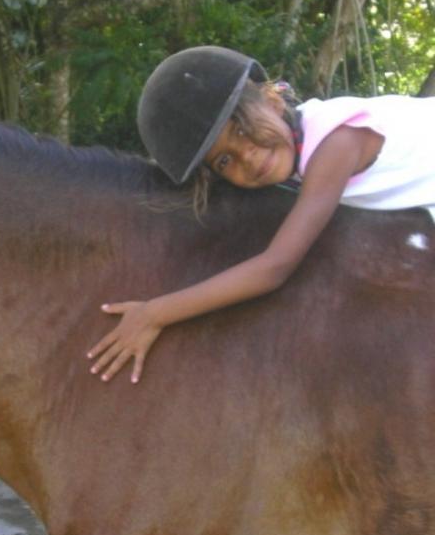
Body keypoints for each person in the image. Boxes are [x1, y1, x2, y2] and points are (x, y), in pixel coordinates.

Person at [87, 46, 435, 383]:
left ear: (273, 101)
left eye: (241, 129)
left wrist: (153, 313)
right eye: (224, 161)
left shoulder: (336, 143)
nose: (247, 158)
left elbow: (276, 267)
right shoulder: (300, 147)